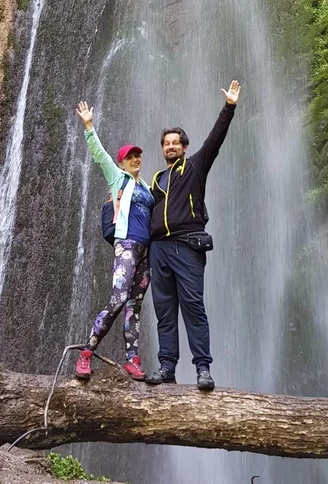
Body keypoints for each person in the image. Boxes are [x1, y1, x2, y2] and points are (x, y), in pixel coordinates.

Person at [145, 79, 241, 391]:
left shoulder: (195, 167)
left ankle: (202, 368)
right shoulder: (157, 180)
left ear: (184, 147)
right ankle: (167, 367)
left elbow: (215, 141)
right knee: (164, 311)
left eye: (175, 142)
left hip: (187, 246)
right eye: (166, 143)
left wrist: (229, 107)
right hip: (158, 250)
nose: (170, 146)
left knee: (193, 307)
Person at [73, 100, 154, 381]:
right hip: (128, 245)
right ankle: (86, 353)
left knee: (135, 306)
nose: (135, 159)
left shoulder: (146, 186)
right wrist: (88, 126)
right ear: (121, 162)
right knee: (118, 300)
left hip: (147, 252)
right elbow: (99, 154)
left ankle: (133, 360)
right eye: (130, 156)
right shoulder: (117, 178)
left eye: (138, 156)